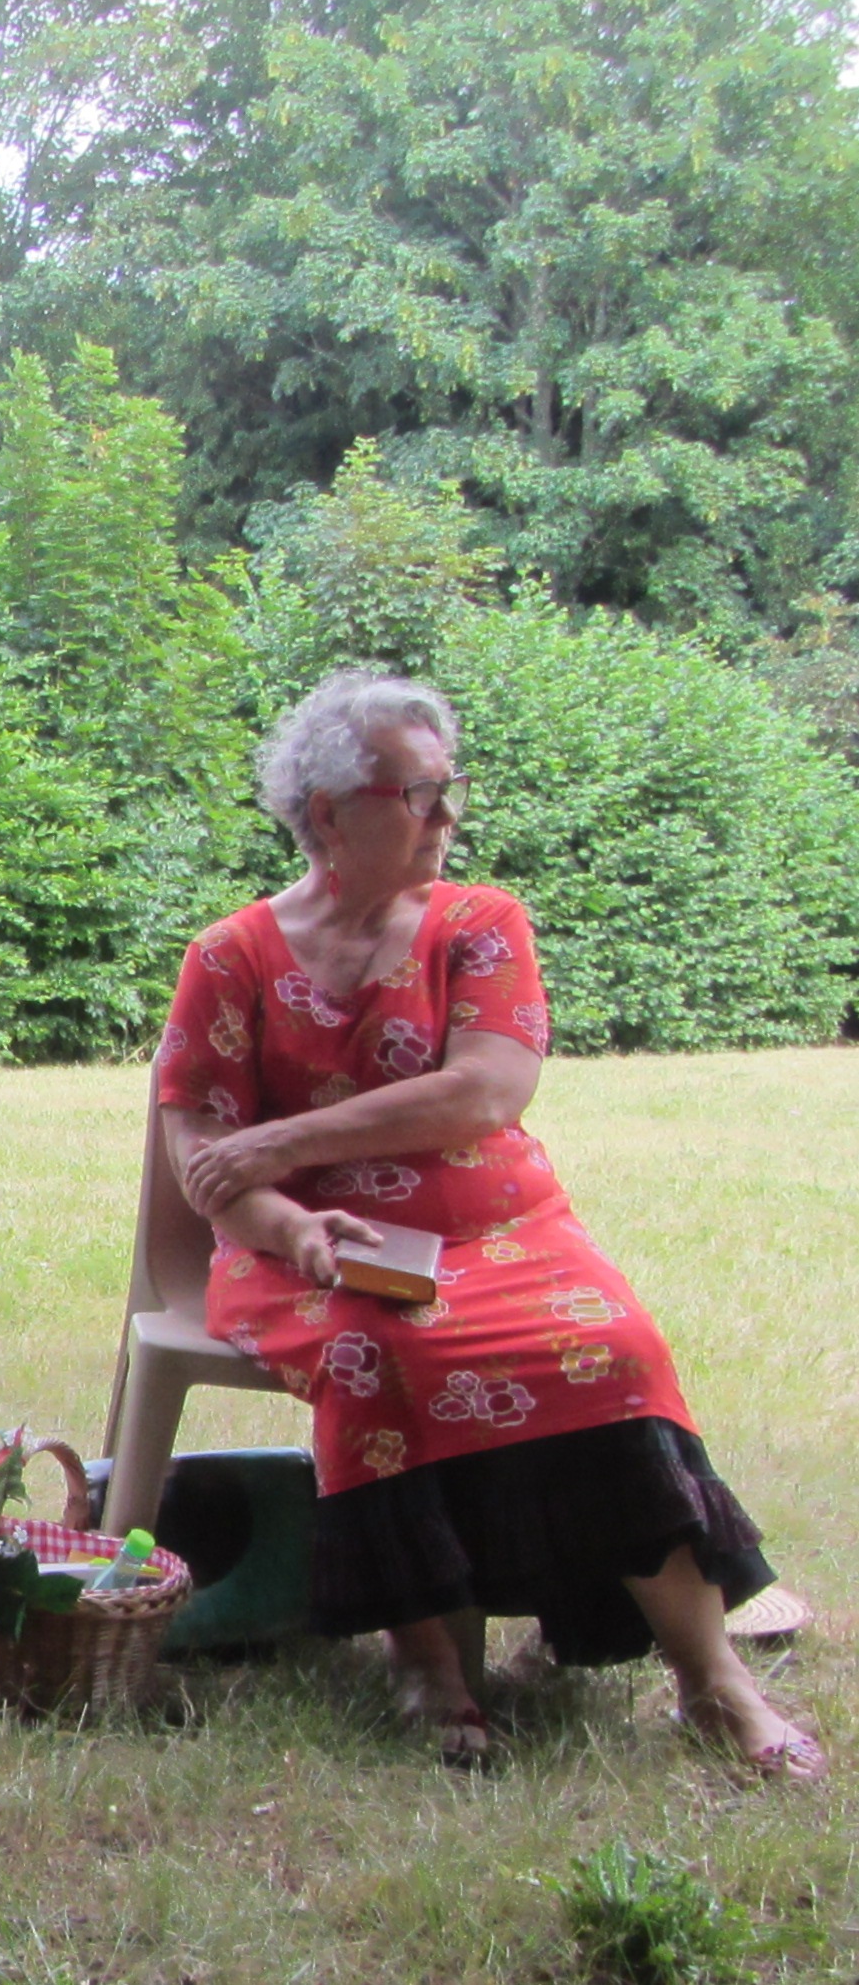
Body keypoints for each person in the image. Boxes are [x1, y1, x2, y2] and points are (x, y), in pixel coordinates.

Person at [153, 670, 821, 1777]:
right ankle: (429, 1663)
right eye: (418, 794)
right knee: (379, 1349)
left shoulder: (480, 922)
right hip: (304, 1256)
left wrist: (279, 1144)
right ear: (328, 811)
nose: (447, 816)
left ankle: (713, 1682)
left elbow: (486, 1092)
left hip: (506, 1238)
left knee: (612, 1349)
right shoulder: (230, 956)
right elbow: (203, 1159)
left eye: (447, 789)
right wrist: (295, 1227)